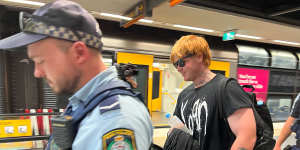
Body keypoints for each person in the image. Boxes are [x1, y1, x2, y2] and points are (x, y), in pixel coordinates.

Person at [0, 0, 153, 150]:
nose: (37, 73)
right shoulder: (83, 103)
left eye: (41, 60)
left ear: (79, 53)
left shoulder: (115, 121)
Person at [164, 35, 257, 150]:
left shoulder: (227, 89)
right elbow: (176, 129)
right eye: (175, 65)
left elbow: (247, 137)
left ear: (199, 56)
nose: (178, 68)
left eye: (181, 62)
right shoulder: (184, 95)